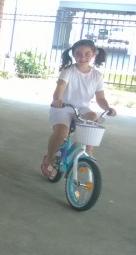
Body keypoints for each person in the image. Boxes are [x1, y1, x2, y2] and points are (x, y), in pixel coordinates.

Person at [41, 39, 116, 179]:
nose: (82, 57)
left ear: (94, 54)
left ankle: (88, 152)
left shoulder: (96, 75)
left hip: (82, 108)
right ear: (73, 54)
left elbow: (100, 98)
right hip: (63, 107)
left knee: (93, 117)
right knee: (61, 132)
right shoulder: (68, 71)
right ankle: (49, 160)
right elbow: (59, 89)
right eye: (79, 54)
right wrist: (57, 100)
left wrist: (108, 108)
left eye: (87, 54)